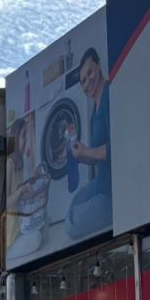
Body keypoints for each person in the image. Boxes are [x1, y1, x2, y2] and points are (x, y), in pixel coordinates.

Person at [66, 47, 112, 240]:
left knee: (73, 227)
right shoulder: (94, 111)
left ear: (99, 66)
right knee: (73, 206)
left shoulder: (111, 94)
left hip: (113, 189)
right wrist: (81, 155)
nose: (87, 82)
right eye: (83, 80)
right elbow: (96, 158)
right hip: (100, 183)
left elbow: (117, 148)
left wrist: (88, 151)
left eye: (90, 73)